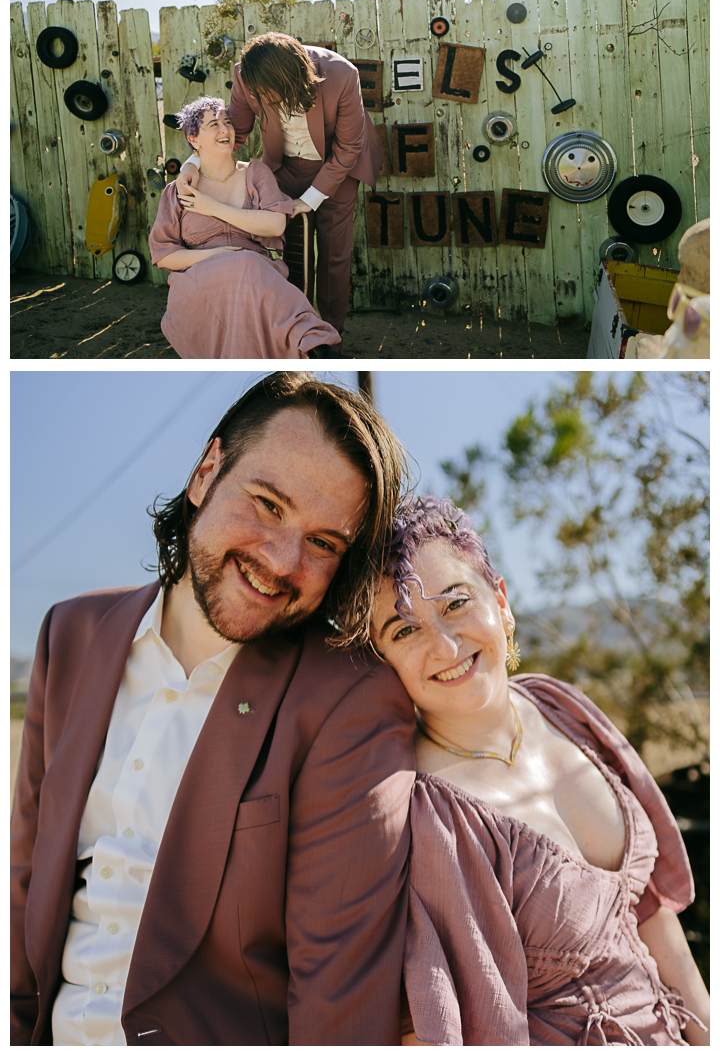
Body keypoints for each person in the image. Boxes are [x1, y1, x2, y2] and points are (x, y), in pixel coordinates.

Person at [10, 373, 417, 1046]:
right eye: (267, 504)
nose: (281, 560)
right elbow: (25, 893)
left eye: (323, 543)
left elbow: (338, 1003)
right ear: (206, 472)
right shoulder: (69, 635)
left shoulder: (349, 700)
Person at [365, 495, 710, 1046]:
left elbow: (649, 911)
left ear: (500, 601)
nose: (445, 646)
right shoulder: (432, 816)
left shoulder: (560, 705)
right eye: (404, 631)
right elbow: (453, 1024)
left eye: (456, 604)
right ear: (383, 662)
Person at [176, 34, 385, 338]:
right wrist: (193, 164)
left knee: (334, 256)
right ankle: (289, 332)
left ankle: (331, 337)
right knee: (281, 251)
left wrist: (311, 198)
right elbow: (236, 132)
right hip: (284, 168)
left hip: (338, 168)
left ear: (291, 78)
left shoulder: (342, 74)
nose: (265, 100)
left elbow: (349, 147)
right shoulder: (245, 74)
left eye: (271, 93)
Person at [149, 97, 342, 358]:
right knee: (244, 264)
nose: (224, 130)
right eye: (214, 124)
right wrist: (217, 255)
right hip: (200, 281)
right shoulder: (178, 191)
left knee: (248, 265)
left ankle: (316, 348)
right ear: (194, 140)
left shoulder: (255, 173)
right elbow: (164, 255)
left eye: (227, 123)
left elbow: (275, 224)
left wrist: (212, 207)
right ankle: (315, 344)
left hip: (257, 274)